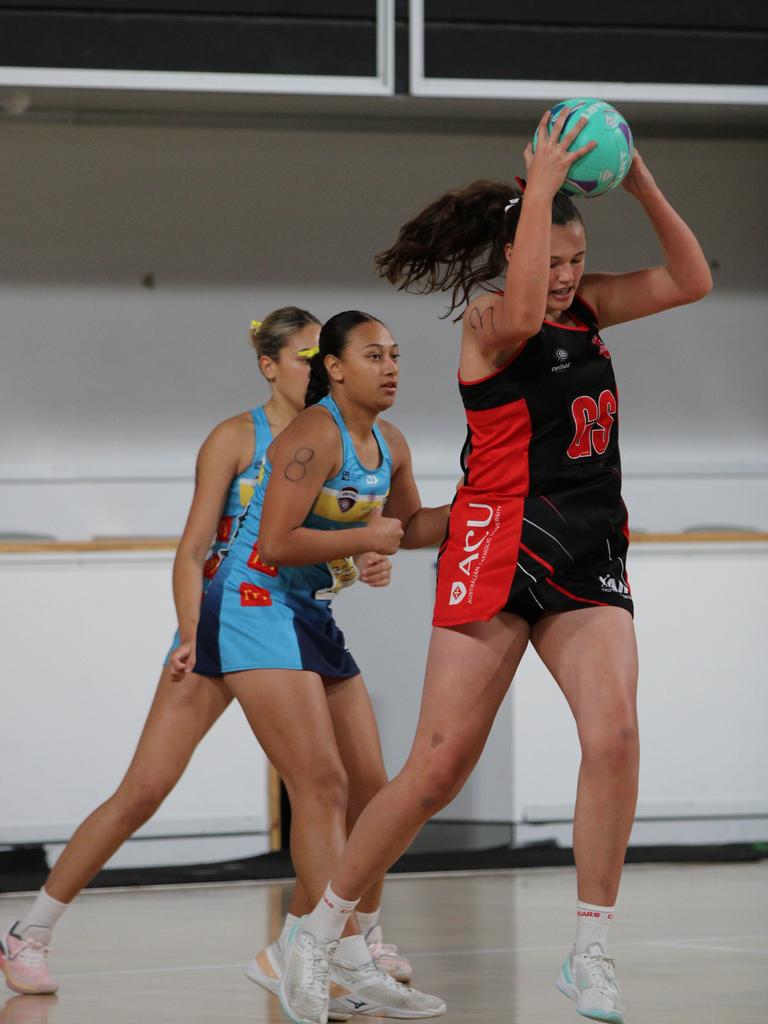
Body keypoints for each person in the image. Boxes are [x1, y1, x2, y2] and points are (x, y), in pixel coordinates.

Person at [278, 110, 713, 1024]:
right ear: (516, 253)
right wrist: (542, 189)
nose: (561, 279)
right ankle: (315, 938)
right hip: (496, 545)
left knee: (616, 736)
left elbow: (691, 278)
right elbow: (520, 310)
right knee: (436, 771)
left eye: (571, 260)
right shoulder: (487, 322)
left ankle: (590, 952)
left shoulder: (591, 306)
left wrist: (637, 181)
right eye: (547, 260)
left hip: (587, 549)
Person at [0, 308, 403, 1006]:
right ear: (269, 366)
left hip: (300, 619)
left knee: (357, 785)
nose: (313, 366)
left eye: (320, 353)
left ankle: (343, 938)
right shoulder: (237, 438)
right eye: (302, 355)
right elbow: (192, 550)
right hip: (230, 617)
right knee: (147, 791)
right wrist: (190, 631)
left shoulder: (344, 436)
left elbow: (358, 530)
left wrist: (372, 554)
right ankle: (28, 933)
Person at [194, 309, 450, 1021]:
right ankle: (345, 955)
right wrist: (363, 538)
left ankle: (312, 948)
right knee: (323, 784)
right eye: (374, 354)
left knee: (375, 788)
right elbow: (274, 541)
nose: (392, 365)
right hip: (251, 601)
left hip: (309, 615)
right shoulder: (312, 435)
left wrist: (485, 508)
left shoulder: (389, 443)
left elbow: (408, 528)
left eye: (397, 353)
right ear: (334, 368)